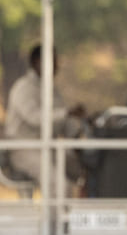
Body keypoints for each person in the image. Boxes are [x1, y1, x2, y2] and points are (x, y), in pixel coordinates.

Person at [3, 44, 87, 189]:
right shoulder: (24, 87)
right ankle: (55, 212)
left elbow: (62, 121)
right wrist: (67, 113)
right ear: (37, 62)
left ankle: (91, 209)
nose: (56, 66)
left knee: (86, 171)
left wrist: (76, 133)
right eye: (53, 61)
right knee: (59, 185)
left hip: (50, 147)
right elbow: (35, 118)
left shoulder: (51, 89)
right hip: (24, 149)